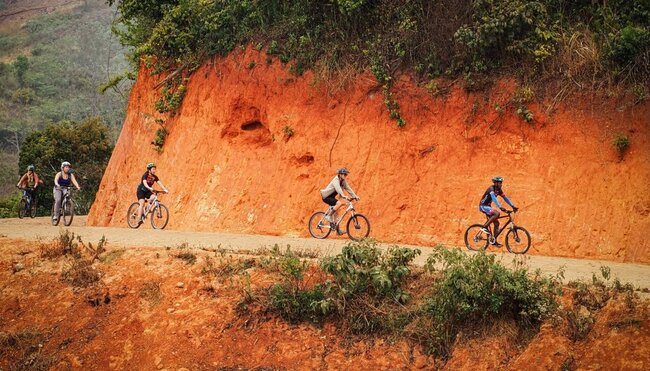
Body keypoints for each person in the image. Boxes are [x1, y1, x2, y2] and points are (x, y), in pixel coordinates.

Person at [479, 176, 518, 245]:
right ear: (495, 183)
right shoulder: (491, 189)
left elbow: (505, 198)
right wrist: (500, 207)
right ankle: (484, 227)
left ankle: (494, 241)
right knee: (497, 214)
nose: (501, 184)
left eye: (501, 183)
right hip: (483, 206)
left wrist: (512, 206)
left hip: (488, 206)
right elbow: (494, 198)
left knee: (497, 223)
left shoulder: (499, 190)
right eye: (500, 183)